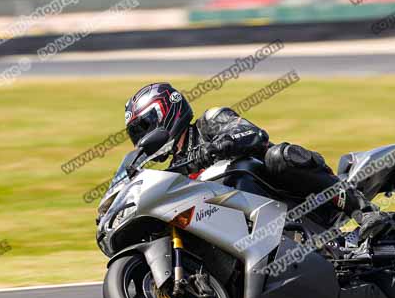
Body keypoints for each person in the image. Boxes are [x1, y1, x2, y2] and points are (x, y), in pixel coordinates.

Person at [124, 82, 371, 230]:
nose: (142, 138)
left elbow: (253, 134)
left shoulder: (209, 121)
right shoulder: (175, 171)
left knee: (278, 156)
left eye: (144, 127)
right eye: (137, 133)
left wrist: (217, 146)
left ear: (166, 112)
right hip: (244, 226)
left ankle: (361, 209)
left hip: (288, 191)